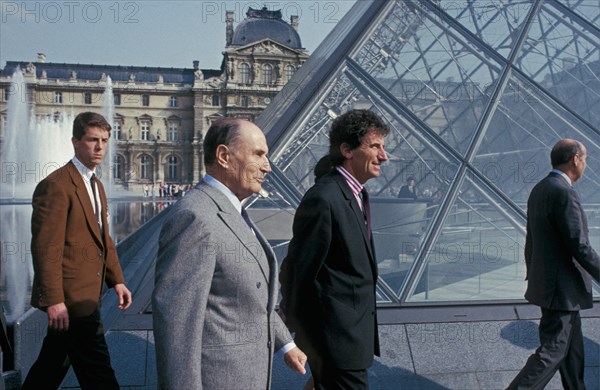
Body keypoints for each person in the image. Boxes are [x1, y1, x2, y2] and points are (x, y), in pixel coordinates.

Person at [152, 118, 307, 389]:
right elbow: (177, 327)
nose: (267, 167)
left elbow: (252, 299)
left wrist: (286, 344)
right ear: (224, 156)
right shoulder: (195, 217)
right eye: (258, 154)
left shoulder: (230, 210)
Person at [22, 112, 132, 390]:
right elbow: (46, 248)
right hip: (73, 300)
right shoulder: (56, 185)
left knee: (51, 364)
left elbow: (103, 238)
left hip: (88, 293)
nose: (100, 148)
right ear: (75, 142)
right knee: (99, 372)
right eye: (93, 140)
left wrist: (116, 279)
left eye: (105, 141)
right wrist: (54, 300)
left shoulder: (96, 184)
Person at [280, 109, 389, 389]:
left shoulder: (357, 194)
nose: (383, 156)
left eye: (383, 147)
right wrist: (290, 331)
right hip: (334, 342)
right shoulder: (324, 198)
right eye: (375, 146)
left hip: (349, 338)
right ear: (347, 150)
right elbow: (300, 267)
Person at [508, 139, 599, 390]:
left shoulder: (541, 188)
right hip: (563, 289)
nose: (586, 165)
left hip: (552, 287)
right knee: (553, 352)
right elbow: (579, 245)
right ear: (575, 159)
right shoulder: (564, 192)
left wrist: (536, 275)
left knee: (572, 353)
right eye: (586, 159)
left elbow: (532, 240)